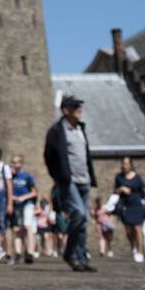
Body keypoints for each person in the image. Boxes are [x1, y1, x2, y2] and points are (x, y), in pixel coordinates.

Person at [44, 94, 98, 272]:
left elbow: (85, 155)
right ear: (66, 110)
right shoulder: (57, 131)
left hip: (84, 180)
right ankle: (70, 253)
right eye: (76, 108)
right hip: (70, 181)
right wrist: (59, 177)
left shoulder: (80, 129)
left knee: (82, 220)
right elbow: (49, 156)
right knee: (79, 214)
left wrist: (91, 176)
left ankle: (81, 258)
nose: (79, 111)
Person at [113, 157, 145, 264]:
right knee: (129, 230)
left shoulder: (137, 178)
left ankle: (140, 251)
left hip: (136, 204)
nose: (125, 166)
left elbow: (144, 194)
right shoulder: (119, 177)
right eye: (123, 163)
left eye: (127, 163)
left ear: (131, 165)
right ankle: (133, 246)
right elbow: (115, 191)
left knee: (137, 227)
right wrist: (121, 189)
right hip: (125, 205)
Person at [9, 155, 38, 264]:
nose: (14, 165)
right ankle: (18, 252)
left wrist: (23, 198)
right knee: (17, 229)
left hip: (27, 203)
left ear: (21, 164)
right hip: (16, 205)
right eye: (13, 162)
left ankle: (30, 252)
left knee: (27, 226)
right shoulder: (10, 177)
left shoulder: (27, 176)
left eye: (17, 163)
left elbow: (34, 192)